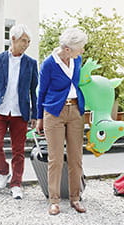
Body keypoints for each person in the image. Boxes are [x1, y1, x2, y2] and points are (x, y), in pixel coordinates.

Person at [0, 24, 38, 200]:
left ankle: (16, 184)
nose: (26, 44)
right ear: (13, 39)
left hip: (20, 113)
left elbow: (34, 91)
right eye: (23, 41)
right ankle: (3, 171)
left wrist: (35, 114)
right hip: (0, 110)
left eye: (28, 42)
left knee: (18, 150)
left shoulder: (31, 63)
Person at [36, 27, 88, 215]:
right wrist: (39, 118)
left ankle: (75, 198)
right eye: (80, 47)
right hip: (54, 113)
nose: (82, 51)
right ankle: (54, 201)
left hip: (75, 111)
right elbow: (41, 92)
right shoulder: (49, 64)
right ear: (67, 49)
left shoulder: (77, 60)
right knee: (56, 159)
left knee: (76, 158)